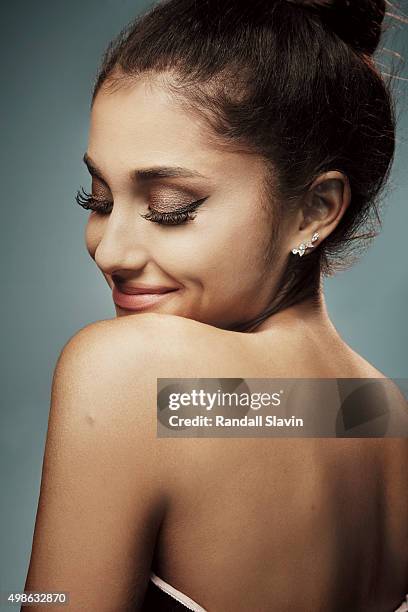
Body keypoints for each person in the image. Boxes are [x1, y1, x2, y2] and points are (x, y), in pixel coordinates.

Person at [23, 0, 408, 610]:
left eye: (170, 206)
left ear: (315, 209)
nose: (109, 249)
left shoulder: (133, 375)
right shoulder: (381, 417)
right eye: (96, 199)